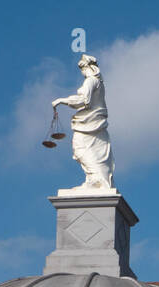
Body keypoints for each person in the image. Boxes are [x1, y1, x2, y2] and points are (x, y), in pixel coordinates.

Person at [51, 54, 114, 191]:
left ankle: (96, 178)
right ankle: (93, 178)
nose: (82, 72)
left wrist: (62, 100)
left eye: (82, 69)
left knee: (80, 148)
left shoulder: (91, 81)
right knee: (92, 150)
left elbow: (84, 100)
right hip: (92, 121)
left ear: (86, 68)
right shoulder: (99, 83)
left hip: (89, 123)